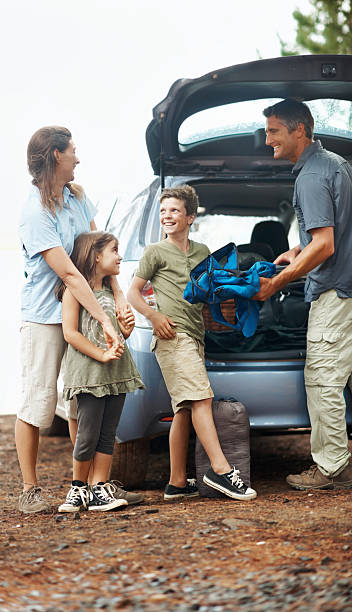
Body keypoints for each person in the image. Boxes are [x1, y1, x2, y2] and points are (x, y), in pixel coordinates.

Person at [17, 126, 127, 514]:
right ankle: (30, 488)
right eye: (72, 152)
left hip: (86, 308)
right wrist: (106, 321)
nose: (78, 158)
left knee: (86, 396)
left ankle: (83, 485)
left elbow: (101, 249)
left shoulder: (78, 198)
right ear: (54, 157)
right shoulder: (35, 211)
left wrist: (118, 297)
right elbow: (69, 274)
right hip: (46, 317)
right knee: (39, 403)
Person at [127, 185, 257, 501]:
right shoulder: (155, 252)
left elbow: (208, 292)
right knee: (201, 400)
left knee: (184, 409)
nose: (167, 216)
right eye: (163, 211)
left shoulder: (202, 252)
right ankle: (221, 471)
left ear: (190, 216)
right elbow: (133, 292)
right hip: (172, 338)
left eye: (173, 210)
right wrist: (153, 317)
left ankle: (176, 483)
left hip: (195, 337)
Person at [254, 99, 352, 491]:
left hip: (335, 293)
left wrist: (276, 284)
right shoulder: (337, 164)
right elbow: (335, 232)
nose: (267, 140)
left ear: (300, 130)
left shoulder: (312, 175)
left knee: (324, 379)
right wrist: (297, 251)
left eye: (274, 131)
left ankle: (332, 470)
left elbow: (326, 245)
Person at [56, 231, 145, 512]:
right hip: (89, 375)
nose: (119, 256)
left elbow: (114, 336)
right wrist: (101, 355)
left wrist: (126, 332)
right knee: (87, 433)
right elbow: (70, 333)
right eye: (114, 251)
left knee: (108, 433)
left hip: (115, 374)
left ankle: (98, 487)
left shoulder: (111, 295)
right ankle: (77, 488)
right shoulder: (75, 291)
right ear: (95, 256)